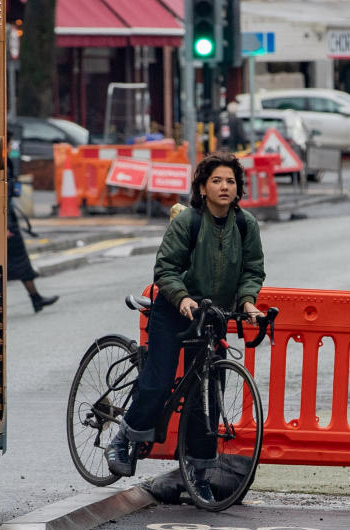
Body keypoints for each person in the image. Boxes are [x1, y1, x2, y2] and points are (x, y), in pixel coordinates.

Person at [105, 152, 265, 501]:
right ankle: (123, 439)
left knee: (207, 395)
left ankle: (199, 472)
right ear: (203, 188)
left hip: (212, 316)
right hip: (175, 310)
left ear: (238, 189)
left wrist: (248, 302)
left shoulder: (245, 225)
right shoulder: (188, 222)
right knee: (159, 380)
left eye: (231, 181)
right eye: (217, 181)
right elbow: (166, 268)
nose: (225, 187)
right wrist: (181, 298)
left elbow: (252, 271)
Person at [6, 131, 57, 312]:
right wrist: (4, 226)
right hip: (6, 225)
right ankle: (35, 299)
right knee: (16, 264)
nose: (12, 147)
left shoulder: (6, 163)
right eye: (10, 144)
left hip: (8, 221)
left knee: (19, 264)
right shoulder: (1, 164)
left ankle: (36, 298)